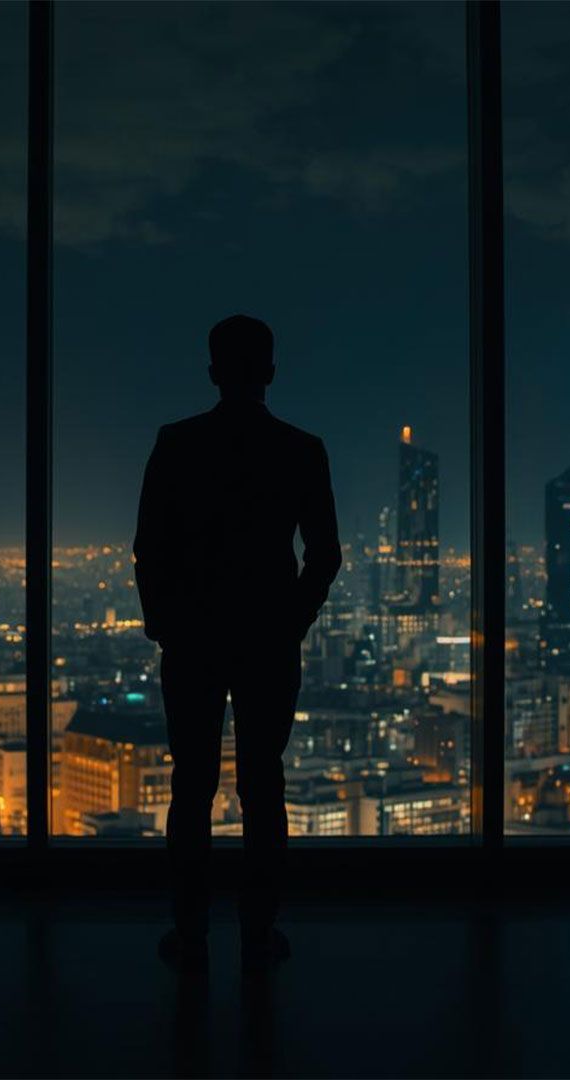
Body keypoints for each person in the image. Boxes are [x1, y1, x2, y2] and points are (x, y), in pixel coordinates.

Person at [134, 314, 342, 970]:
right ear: (270, 373)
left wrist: (162, 622)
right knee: (264, 784)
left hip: (192, 636)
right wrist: (294, 620)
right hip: (266, 638)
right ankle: (258, 928)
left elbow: (149, 547)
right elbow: (325, 554)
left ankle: (189, 927)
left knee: (190, 786)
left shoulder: (176, 442)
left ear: (212, 371)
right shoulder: (301, 449)